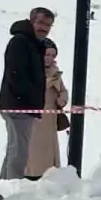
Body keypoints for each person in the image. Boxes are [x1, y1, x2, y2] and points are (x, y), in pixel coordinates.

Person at [0, 8, 52, 181]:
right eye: (41, 22)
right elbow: (17, 74)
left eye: (48, 25)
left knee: (14, 150)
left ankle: (5, 191)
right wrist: (28, 98)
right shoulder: (20, 42)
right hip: (19, 105)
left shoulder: (35, 44)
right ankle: (11, 193)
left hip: (22, 105)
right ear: (31, 21)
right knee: (18, 154)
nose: (44, 28)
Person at [24, 38, 69, 180]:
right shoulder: (31, 70)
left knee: (49, 148)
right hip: (36, 115)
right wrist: (48, 83)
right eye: (46, 54)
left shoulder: (55, 71)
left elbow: (63, 90)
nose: (49, 58)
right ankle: (33, 174)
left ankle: (49, 173)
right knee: (35, 147)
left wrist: (63, 98)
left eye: (52, 55)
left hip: (51, 116)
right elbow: (30, 90)